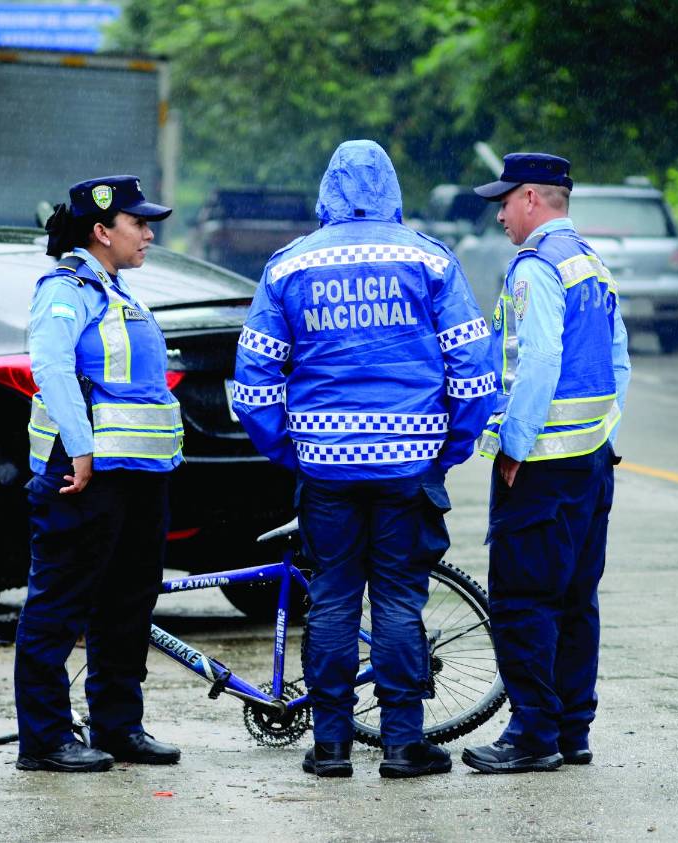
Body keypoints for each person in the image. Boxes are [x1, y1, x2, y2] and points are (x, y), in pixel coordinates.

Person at [233, 140, 496, 779]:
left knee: (331, 600)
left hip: (325, 468)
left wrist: (291, 449)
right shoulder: (430, 260)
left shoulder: (290, 267)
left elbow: (253, 382)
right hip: (410, 466)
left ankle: (330, 748)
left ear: (329, 188)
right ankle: (404, 745)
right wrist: (448, 446)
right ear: (391, 187)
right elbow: (474, 369)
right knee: (401, 601)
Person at [462, 153, 631, 774]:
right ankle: (571, 731)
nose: (500, 214)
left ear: (531, 198)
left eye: (504, 201)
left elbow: (536, 361)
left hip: (539, 467)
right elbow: (620, 361)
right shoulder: (591, 260)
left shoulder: (535, 268)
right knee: (576, 599)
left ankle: (533, 735)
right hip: (592, 462)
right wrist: (604, 432)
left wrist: (513, 445)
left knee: (525, 601)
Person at [14, 175, 183, 772]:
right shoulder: (67, 288)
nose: (149, 233)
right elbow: (52, 366)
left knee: (126, 606)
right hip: (83, 476)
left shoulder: (118, 291)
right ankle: (44, 739)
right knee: (59, 606)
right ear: (101, 231)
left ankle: (117, 726)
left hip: (136, 475)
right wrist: (82, 450)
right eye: (139, 223)